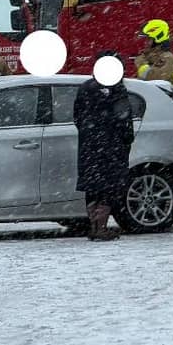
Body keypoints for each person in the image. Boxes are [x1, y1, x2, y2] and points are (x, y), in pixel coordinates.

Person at [73, 51, 135, 241]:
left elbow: (77, 116)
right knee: (108, 188)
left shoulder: (85, 88)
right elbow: (124, 119)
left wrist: (88, 132)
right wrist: (125, 139)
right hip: (111, 147)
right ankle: (101, 227)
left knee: (92, 188)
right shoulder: (118, 90)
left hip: (89, 147)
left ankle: (93, 226)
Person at [134, 19, 173, 85]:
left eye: (148, 39)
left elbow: (152, 78)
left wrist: (141, 63)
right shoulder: (147, 56)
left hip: (161, 95)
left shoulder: (168, 58)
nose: (145, 42)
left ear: (158, 38)